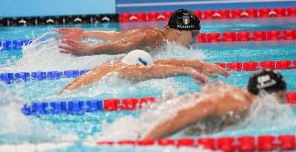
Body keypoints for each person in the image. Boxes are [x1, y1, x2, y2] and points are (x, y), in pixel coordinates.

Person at [140, 69, 287, 140]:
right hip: (155, 130)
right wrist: (144, 144)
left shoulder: (242, 97)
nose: (283, 102)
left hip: (159, 123)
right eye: (282, 96)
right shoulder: (239, 104)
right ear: (271, 93)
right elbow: (185, 114)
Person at [59, 50, 229, 94]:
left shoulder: (117, 65)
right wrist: (188, 71)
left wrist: (197, 64)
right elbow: (150, 70)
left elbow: (159, 63)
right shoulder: (125, 70)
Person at [57, 9, 201, 55]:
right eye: (193, 34)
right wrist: (90, 49)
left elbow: (118, 36)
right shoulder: (153, 37)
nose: (194, 40)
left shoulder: (160, 38)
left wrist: (86, 34)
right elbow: (124, 45)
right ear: (178, 31)